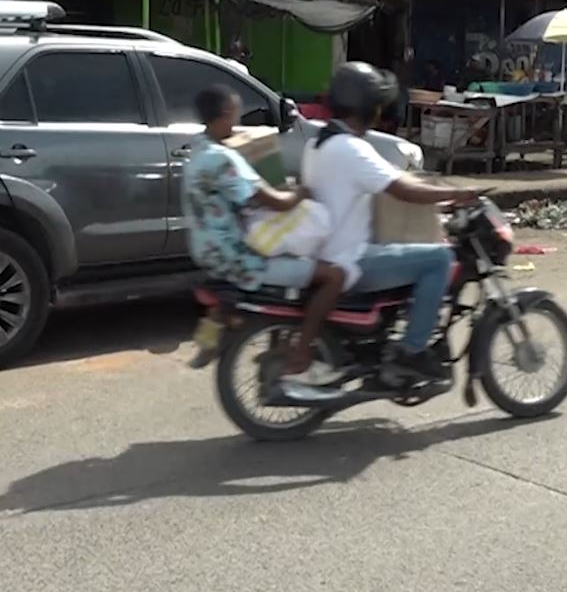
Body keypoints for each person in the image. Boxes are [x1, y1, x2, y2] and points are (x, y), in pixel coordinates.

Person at [304, 62, 481, 383]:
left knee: (407, 250)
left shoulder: (317, 144)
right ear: (369, 108)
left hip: (326, 253)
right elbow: (402, 189)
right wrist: (456, 194)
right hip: (351, 260)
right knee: (439, 259)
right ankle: (412, 351)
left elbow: (388, 181)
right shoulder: (351, 149)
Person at [183, 85, 346, 393]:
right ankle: (301, 351)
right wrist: (302, 191)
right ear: (225, 113)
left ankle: (214, 335)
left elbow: (241, 199)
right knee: (332, 275)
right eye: (235, 112)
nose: (238, 119)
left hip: (206, 249)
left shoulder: (198, 149)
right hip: (236, 257)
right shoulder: (223, 160)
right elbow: (277, 202)